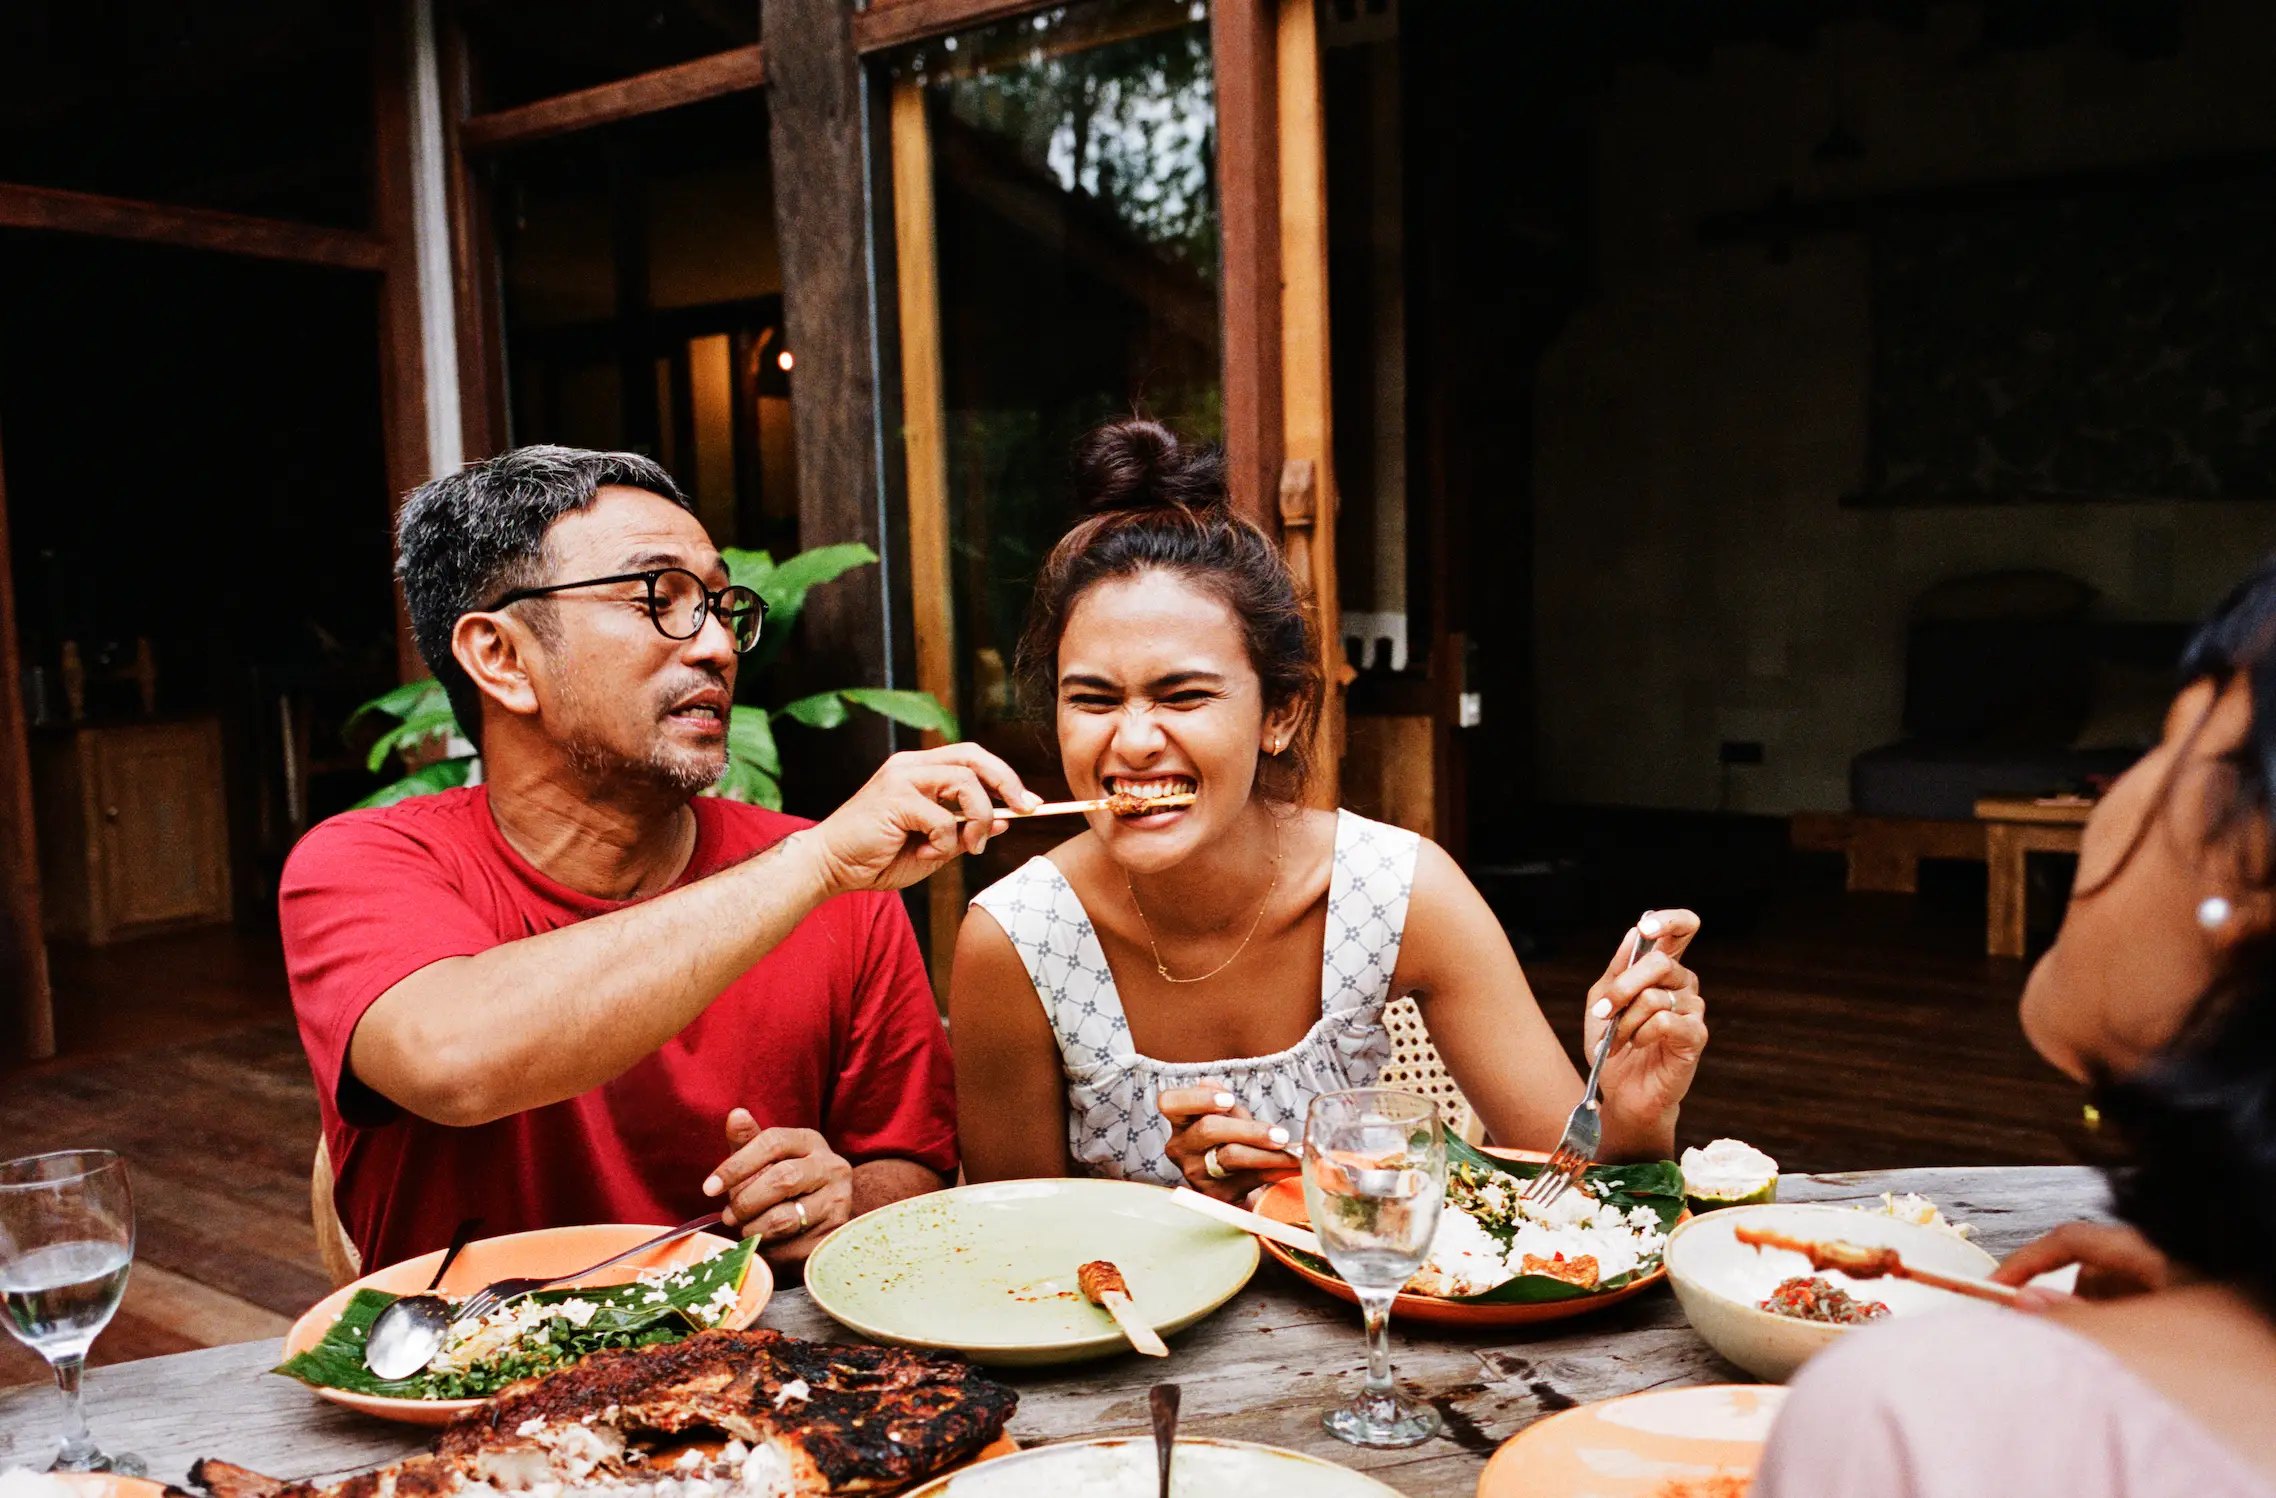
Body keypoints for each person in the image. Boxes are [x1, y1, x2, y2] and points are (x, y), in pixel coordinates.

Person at [281, 446, 1036, 1273]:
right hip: (472, 1353)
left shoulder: (846, 898)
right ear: (502, 658)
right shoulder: (364, 865)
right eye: (658, 599)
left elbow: (913, 1171)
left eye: (720, 605)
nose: (718, 645)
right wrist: (814, 864)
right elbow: (453, 1060)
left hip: (761, 1350)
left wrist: (842, 1200)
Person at [949, 420, 1709, 1195]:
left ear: (1280, 713)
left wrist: (1634, 1116)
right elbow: (1012, 1244)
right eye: (1093, 700)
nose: (1134, 740)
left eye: (1183, 695)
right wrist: (1192, 1219)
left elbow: (1578, 1198)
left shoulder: (1399, 892)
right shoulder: (1016, 941)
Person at [1755, 556, 2276, 1496]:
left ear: (2252, 882)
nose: (2111, 799)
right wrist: (2208, 1296)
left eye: (2169, 746)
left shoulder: (1915, 1420)